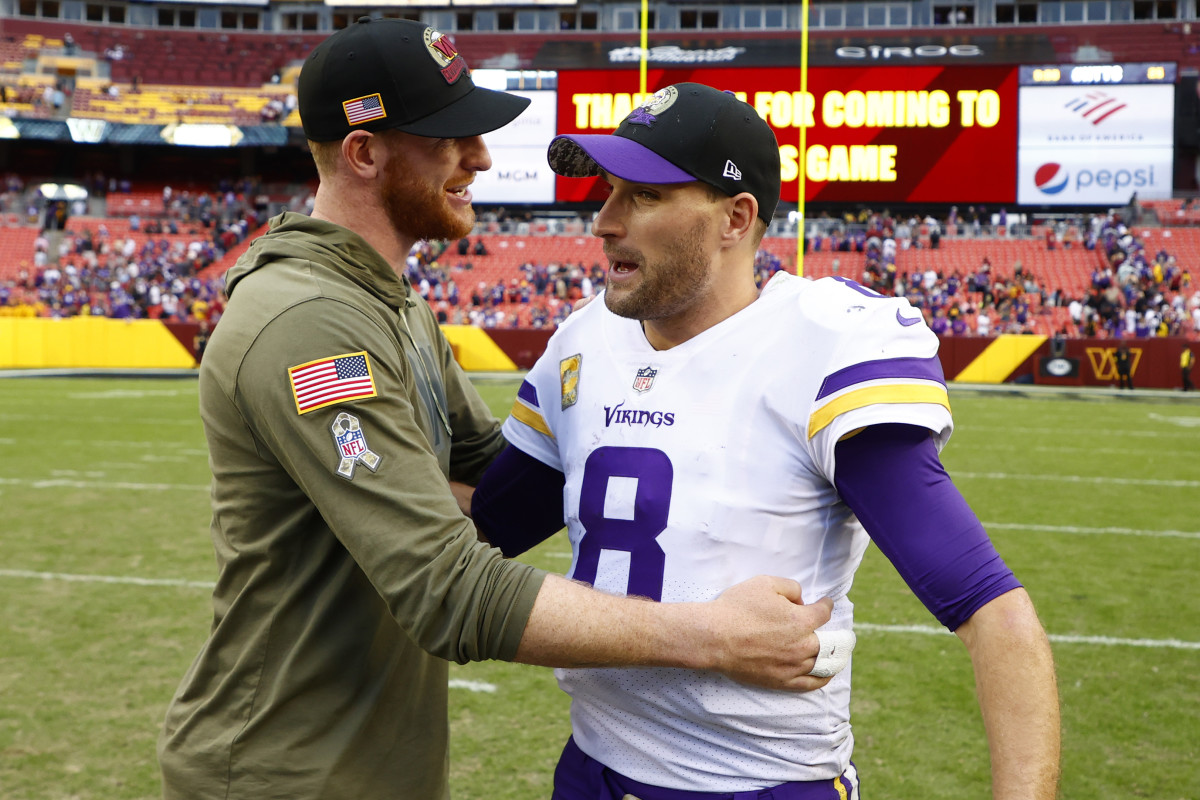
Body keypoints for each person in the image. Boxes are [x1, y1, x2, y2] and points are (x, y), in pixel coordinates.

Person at [156, 27, 836, 800]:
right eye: (451, 136)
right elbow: (447, 587)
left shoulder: (387, 302)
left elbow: (502, 481)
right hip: (283, 770)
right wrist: (710, 635)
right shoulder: (309, 322)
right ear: (365, 154)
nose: (479, 157)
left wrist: (683, 380)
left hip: (363, 761)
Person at [467, 84, 1060, 800]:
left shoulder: (819, 344)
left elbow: (991, 608)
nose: (604, 221)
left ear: (735, 217)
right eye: (608, 191)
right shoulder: (584, 340)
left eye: (644, 197)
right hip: (589, 770)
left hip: (757, 784)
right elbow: (476, 532)